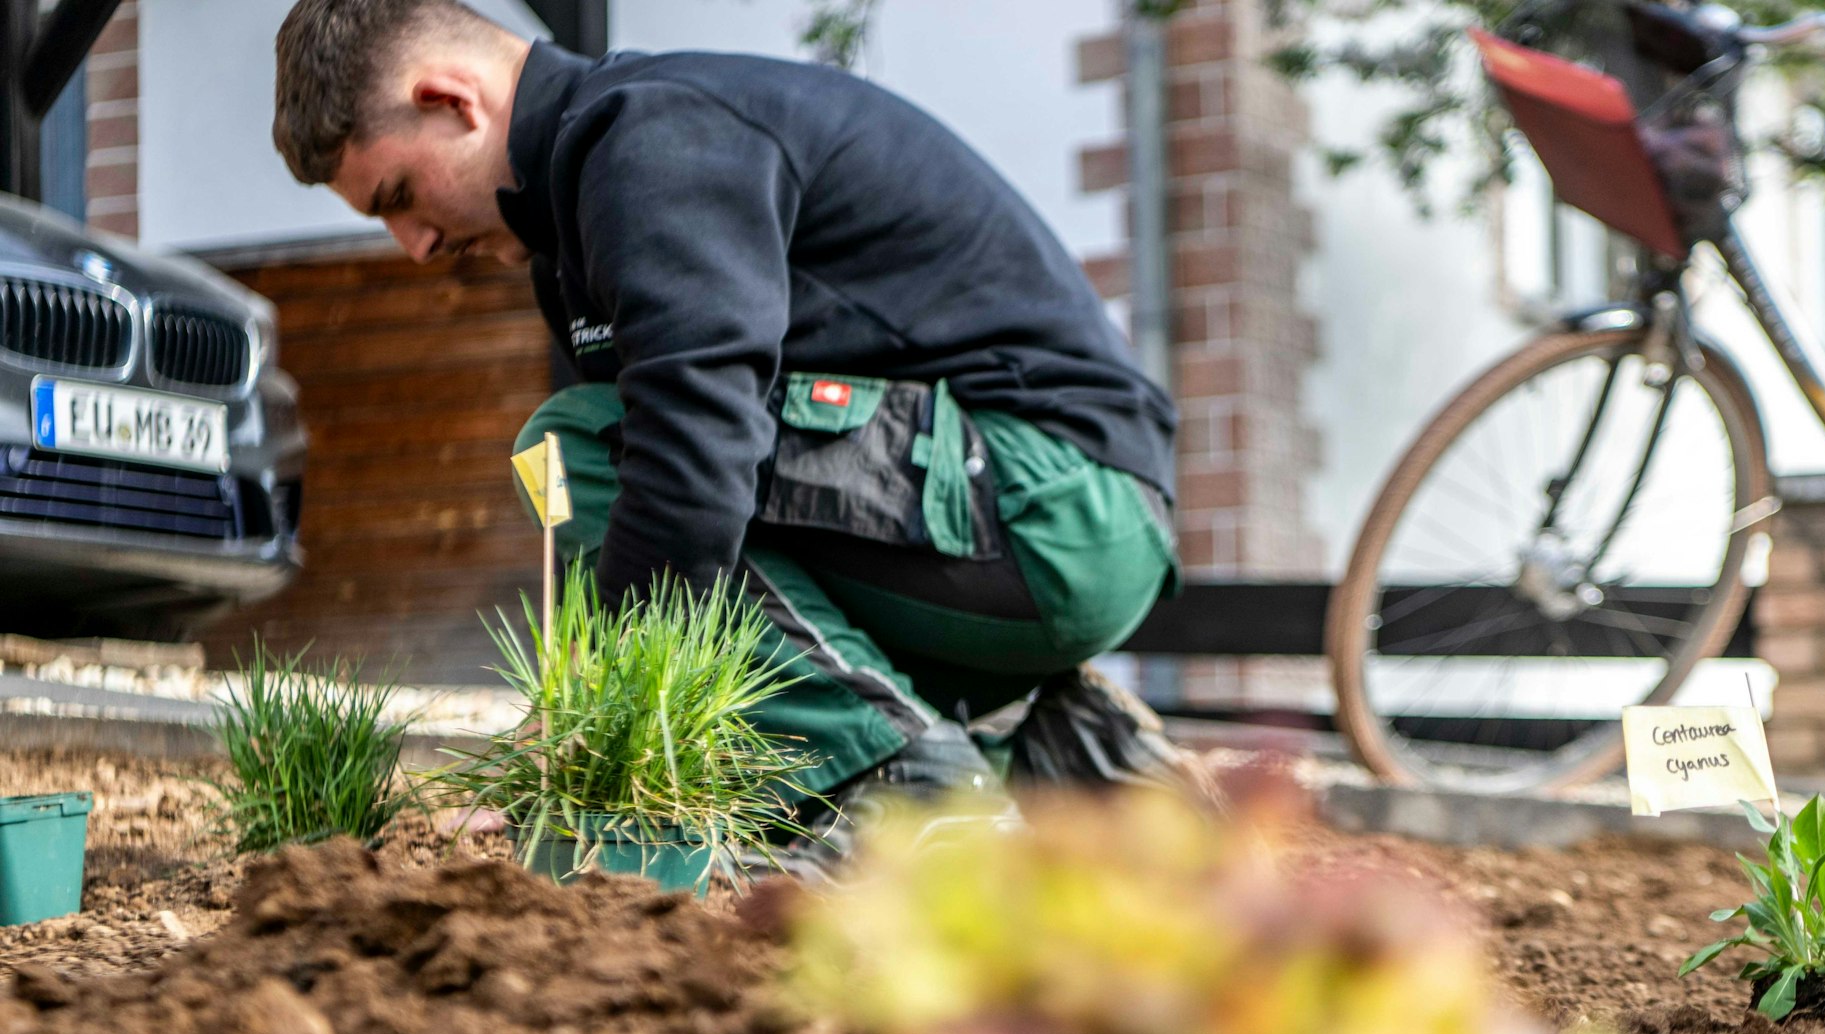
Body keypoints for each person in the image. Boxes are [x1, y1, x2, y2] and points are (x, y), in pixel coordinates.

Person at [271, 0, 1188, 867]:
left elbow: (690, 464)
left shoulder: (650, 141)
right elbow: (710, 548)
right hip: (1039, 531)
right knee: (640, 476)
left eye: (397, 193)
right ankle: (1064, 746)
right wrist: (560, 746)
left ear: (450, 101)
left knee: (585, 442)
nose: (413, 245)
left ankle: (906, 794)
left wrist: (603, 725)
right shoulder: (579, 228)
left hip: (1056, 502)